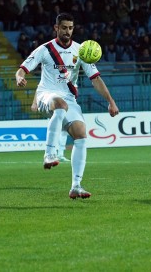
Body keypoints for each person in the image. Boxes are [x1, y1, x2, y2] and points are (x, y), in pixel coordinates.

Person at [15, 12, 119, 199]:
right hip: (47, 95)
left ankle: (76, 186)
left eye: (70, 28)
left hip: (69, 99)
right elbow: (23, 69)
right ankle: (49, 154)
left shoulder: (81, 51)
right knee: (60, 104)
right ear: (56, 28)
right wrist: (20, 78)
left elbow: (95, 79)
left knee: (80, 133)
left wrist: (110, 101)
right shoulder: (45, 49)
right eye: (64, 27)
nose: (67, 31)